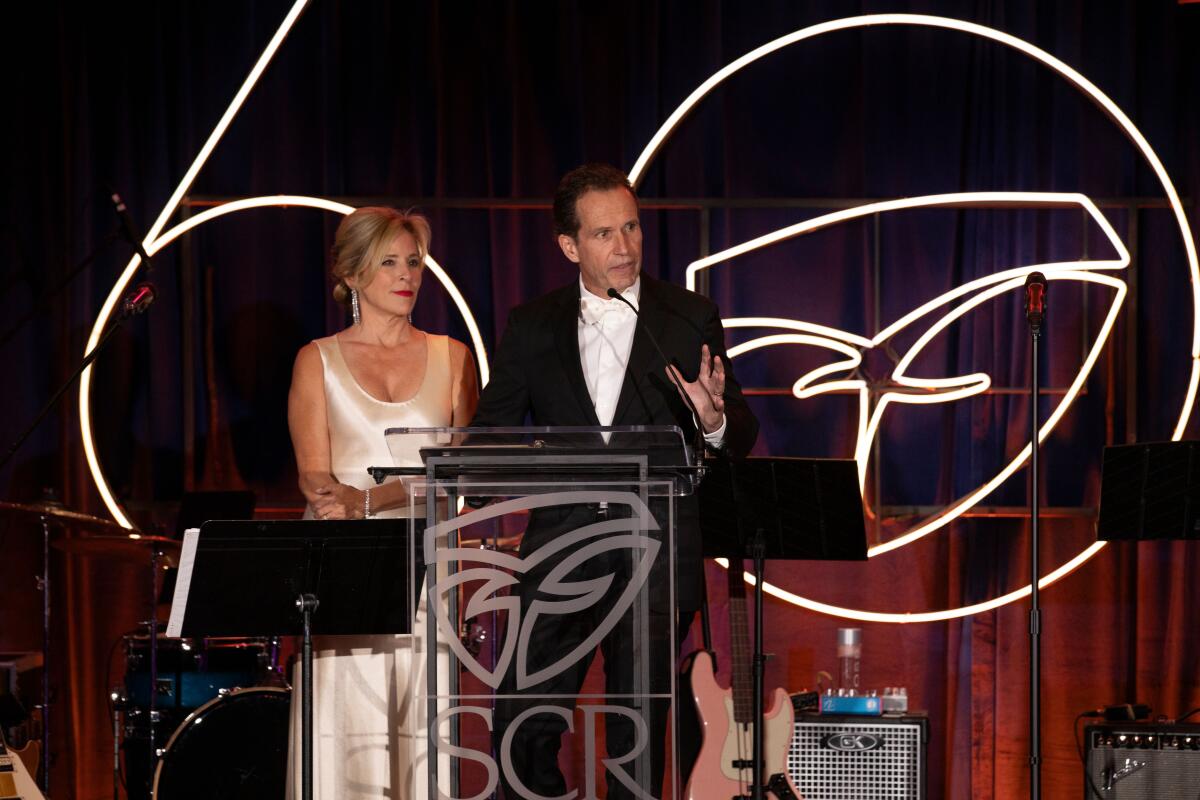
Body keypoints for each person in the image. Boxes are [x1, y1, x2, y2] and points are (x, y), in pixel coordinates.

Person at [470, 163, 758, 798]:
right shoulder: (532, 325)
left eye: (631, 228)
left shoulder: (687, 316)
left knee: (637, 736)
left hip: (655, 554)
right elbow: (489, 432)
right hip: (559, 553)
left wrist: (712, 422)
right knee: (524, 724)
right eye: (604, 234)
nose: (624, 246)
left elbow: (741, 430)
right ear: (570, 246)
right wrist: (459, 474)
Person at [285, 206, 478, 799]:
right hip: (346, 572)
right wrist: (351, 505)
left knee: (422, 747)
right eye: (388, 262)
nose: (406, 275)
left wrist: (371, 499)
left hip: (427, 574)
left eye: (414, 262)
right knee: (346, 741)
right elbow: (316, 483)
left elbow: (461, 474)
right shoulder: (316, 359)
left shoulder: (453, 357)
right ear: (351, 274)